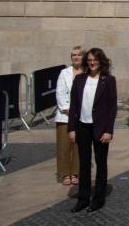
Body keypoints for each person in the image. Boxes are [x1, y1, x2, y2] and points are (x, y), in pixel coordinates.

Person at [66, 47, 117, 213]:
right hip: (82, 126)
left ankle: (98, 199)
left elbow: (112, 108)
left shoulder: (108, 80)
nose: (92, 62)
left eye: (95, 59)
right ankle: (83, 199)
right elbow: (74, 105)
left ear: (101, 61)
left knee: (101, 164)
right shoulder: (80, 79)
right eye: (89, 60)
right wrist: (71, 128)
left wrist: (109, 130)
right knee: (84, 164)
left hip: (100, 128)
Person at [55, 46, 83, 187]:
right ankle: (65, 173)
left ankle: (76, 172)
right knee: (64, 145)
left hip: (82, 115)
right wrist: (68, 109)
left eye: (79, 55)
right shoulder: (64, 72)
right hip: (65, 115)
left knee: (78, 145)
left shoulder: (87, 73)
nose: (76, 57)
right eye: (73, 55)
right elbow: (60, 92)